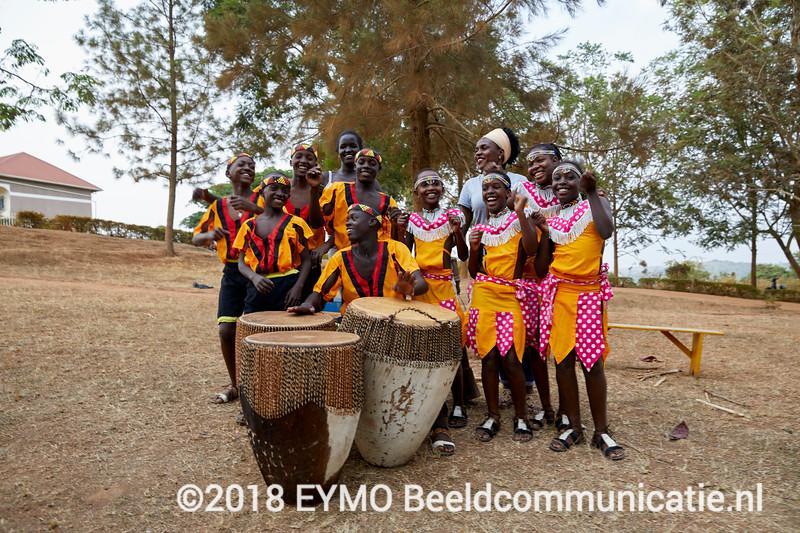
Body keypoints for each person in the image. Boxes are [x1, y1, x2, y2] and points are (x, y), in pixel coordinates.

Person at [534, 160, 624, 461]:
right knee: (563, 362)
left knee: (592, 365)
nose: (561, 181)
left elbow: (606, 230)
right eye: (556, 177)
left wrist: (593, 192)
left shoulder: (595, 204)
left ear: (582, 180)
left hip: (587, 295)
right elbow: (543, 267)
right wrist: (544, 233)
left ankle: (601, 431)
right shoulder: (555, 217)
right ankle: (573, 426)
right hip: (559, 296)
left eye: (569, 176)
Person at [398, 169, 474, 456]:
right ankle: (429, 404)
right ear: (417, 192)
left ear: (442, 190)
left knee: (453, 348)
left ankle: (458, 403)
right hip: (421, 288)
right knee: (425, 349)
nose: (430, 187)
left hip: (443, 288)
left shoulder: (451, 217)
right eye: (424, 184)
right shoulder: (412, 220)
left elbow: (463, 255)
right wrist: (400, 230)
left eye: (435, 183)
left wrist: (457, 232)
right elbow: (405, 253)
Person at [467, 170, 541, 442]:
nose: (490, 192)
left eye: (496, 187)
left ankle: (520, 416)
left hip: (510, 295)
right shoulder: (481, 229)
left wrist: (521, 213)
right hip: (485, 294)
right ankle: (493, 415)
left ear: (508, 194)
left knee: (511, 357)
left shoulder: (516, 221)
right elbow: (475, 272)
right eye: (486, 189)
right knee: (489, 357)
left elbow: (531, 248)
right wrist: (474, 250)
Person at [191, 153, 257, 405]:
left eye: (252, 166)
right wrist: (210, 233)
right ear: (228, 173)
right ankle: (236, 384)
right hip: (231, 272)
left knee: (253, 331)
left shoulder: (261, 198)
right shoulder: (217, 208)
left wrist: (256, 209)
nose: (248, 168)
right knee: (226, 330)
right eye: (242, 164)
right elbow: (196, 238)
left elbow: (277, 218)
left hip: (258, 272)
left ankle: (256, 386)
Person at [288, 204, 428, 315]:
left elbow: (421, 284)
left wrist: (410, 289)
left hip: (392, 321)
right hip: (354, 324)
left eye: (354, 218)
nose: (347, 224)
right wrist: (308, 304)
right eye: (347, 220)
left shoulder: (396, 249)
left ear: (373, 222)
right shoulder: (340, 258)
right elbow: (319, 293)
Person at [513, 143, 564, 430]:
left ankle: (568, 409)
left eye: (540, 160)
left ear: (557, 161)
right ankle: (546, 407)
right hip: (534, 279)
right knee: (535, 348)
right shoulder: (524, 196)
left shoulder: (570, 191)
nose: (533, 167)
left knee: (565, 349)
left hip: (565, 278)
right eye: (529, 164)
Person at [233, 172, 314, 312]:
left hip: (288, 286)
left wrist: (297, 288)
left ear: (289, 196)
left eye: (285, 191)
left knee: (284, 330)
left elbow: (306, 261)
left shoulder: (296, 223)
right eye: (274, 188)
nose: (280, 193)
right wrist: (254, 278)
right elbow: (241, 263)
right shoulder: (249, 226)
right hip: (257, 286)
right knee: (254, 328)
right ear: (262, 194)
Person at [314, 148, 400, 253]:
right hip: (342, 257)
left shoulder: (388, 202)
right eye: (361, 162)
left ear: (379, 168)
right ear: (355, 166)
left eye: (372, 163)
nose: (366, 166)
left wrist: (397, 223)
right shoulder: (337, 190)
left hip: (375, 260)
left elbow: (391, 237)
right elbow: (325, 222)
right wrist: (327, 244)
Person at [457, 127, 526, 228]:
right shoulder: (470, 184)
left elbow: (527, 214)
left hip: (514, 242)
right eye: (476, 150)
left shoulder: (520, 181)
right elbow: (461, 227)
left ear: (500, 153)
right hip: (480, 243)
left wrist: (498, 175)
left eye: (484, 148)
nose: (478, 153)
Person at [284, 143, 327, 297]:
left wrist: (314, 189)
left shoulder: (323, 192)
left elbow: (317, 223)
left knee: (307, 314)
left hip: (310, 261)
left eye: (309, 158)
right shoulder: (279, 188)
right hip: (281, 260)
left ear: (315, 164)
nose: (303, 161)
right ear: (290, 162)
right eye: (298, 156)